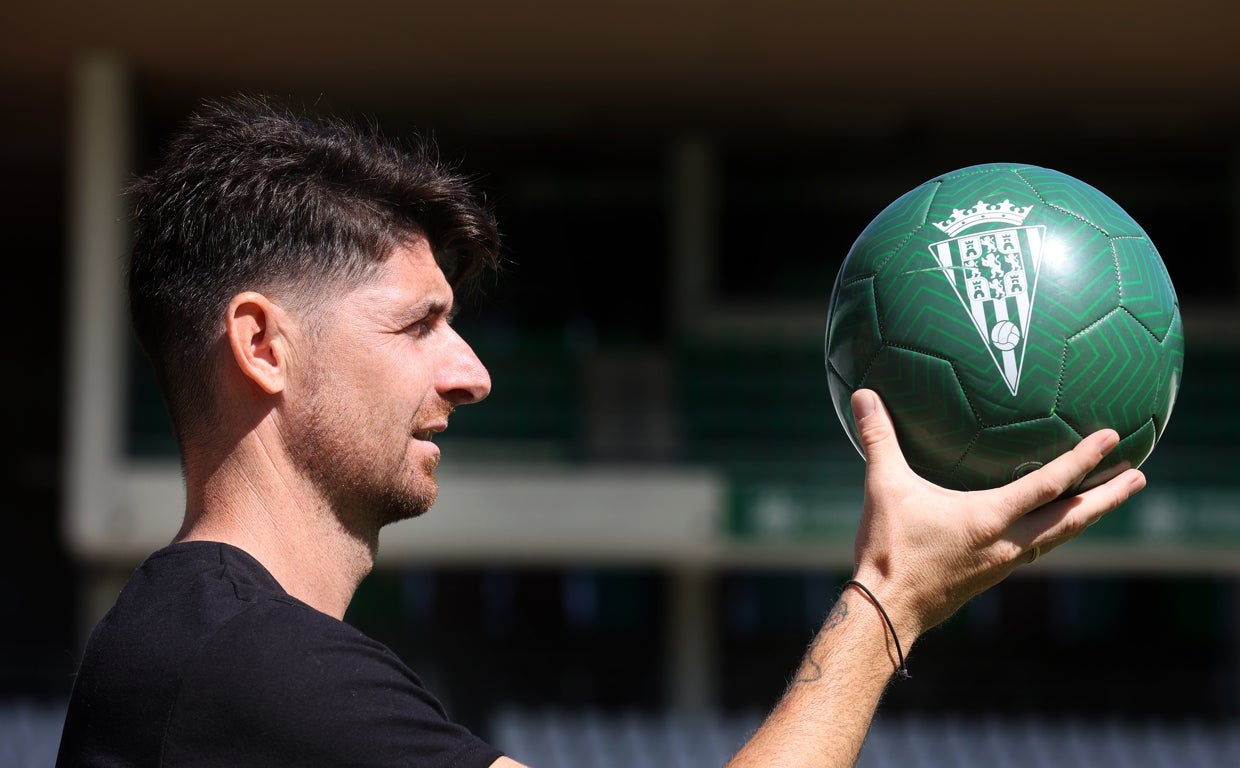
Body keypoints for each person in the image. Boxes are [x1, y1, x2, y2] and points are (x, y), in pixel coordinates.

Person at [55, 94, 1147, 768]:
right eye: (419, 323)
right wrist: (888, 604)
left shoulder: (203, 652)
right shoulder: (248, 671)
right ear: (263, 344)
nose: (470, 372)